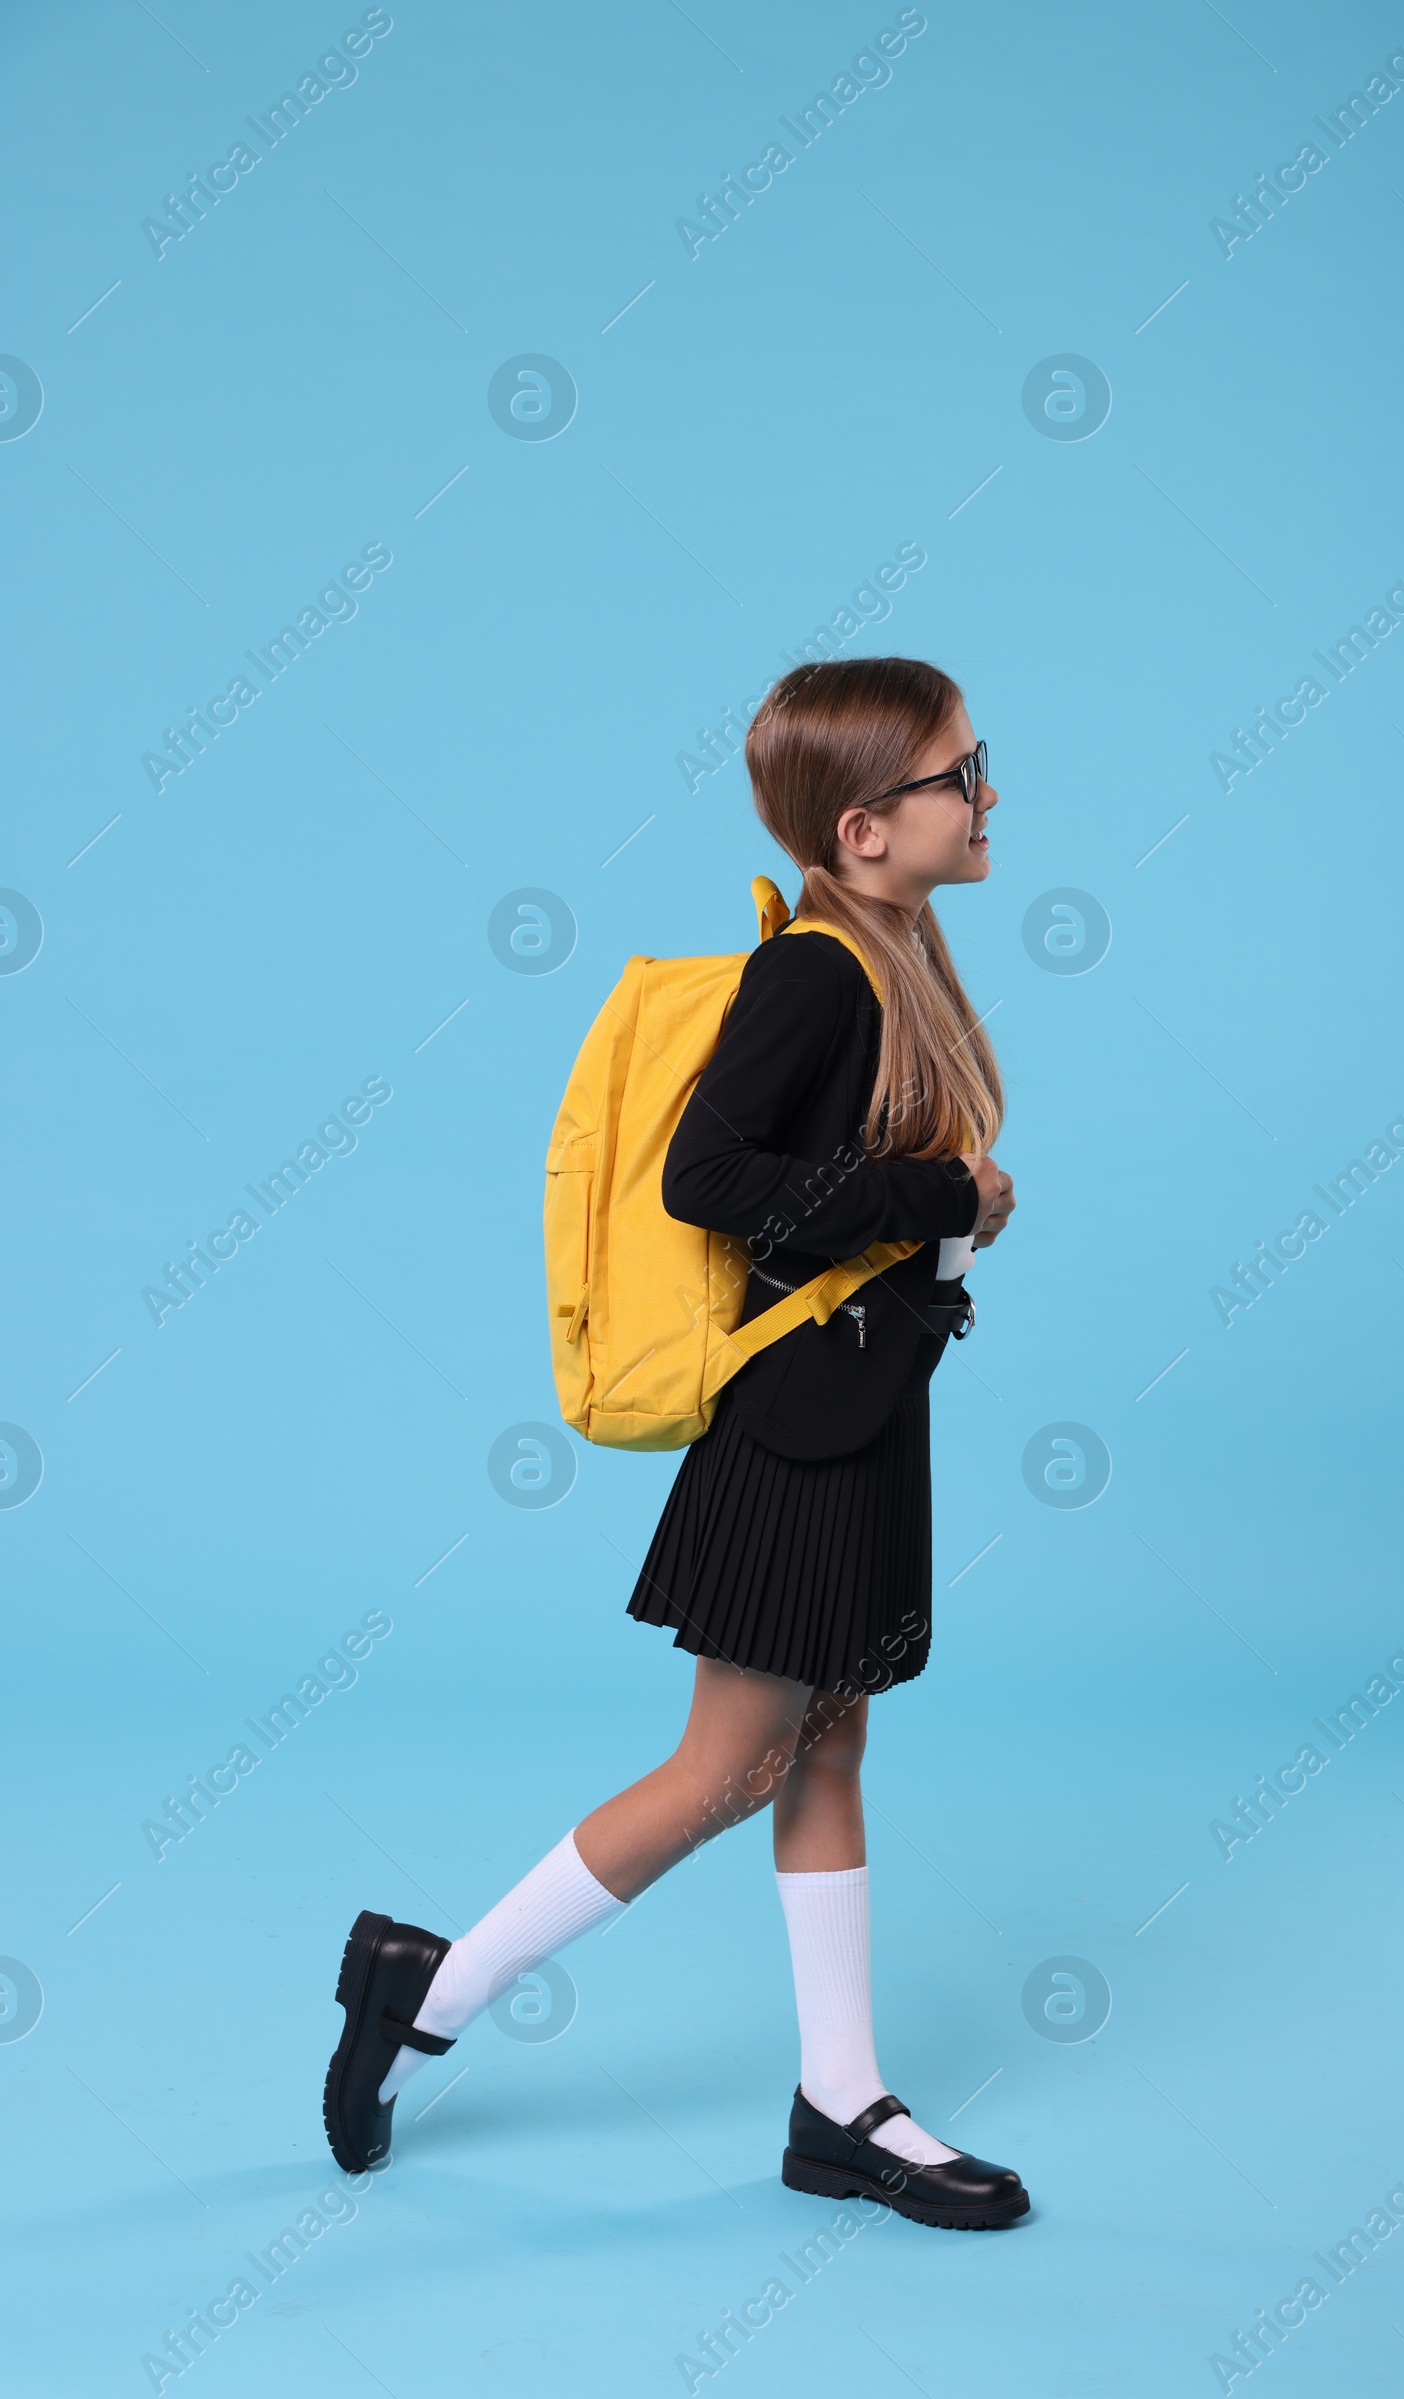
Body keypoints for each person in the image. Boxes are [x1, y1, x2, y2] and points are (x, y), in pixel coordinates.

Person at [324, 656, 1026, 2229]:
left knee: (827, 1742)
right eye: (962, 775)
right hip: (797, 1433)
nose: (987, 798)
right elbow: (707, 1176)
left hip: (860, 1411)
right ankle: (427, 1987)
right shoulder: (820, 976)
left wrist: (940, 1229)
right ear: (863, 827)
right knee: (726, 1768)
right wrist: (937, 1200)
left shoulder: (892, 954)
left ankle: (840, 2101)